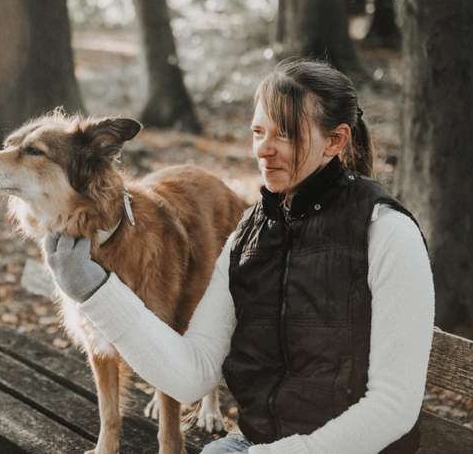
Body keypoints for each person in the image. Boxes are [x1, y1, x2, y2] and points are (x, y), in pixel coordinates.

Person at [44, 59, 435, 453]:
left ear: (334, 142)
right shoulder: (250, 234)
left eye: (285, 134)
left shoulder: (387, 233)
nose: (264, 149)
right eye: (258, 131)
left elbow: (393, 407)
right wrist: (98, 292)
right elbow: (191, 375)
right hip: (254, 443)